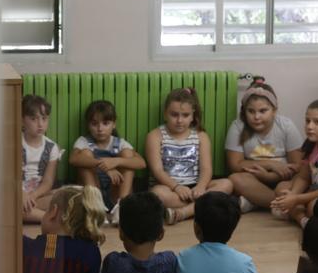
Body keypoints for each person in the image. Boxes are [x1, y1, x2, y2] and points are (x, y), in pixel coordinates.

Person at [145, 87, 232, 225]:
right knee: (157, 194)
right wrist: (177, 187)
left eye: (185, 115)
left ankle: (182, 213)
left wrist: (201, 187)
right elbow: (157, 171)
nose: (179, 120)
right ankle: (203, 206)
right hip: (168, 188)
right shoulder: (155, 136)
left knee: (226, 184)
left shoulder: (201, 136)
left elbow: (206, 169)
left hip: (196, 188)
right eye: (174, 115)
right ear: (165, 114)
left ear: (193, 115)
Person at [224, 78, 304, 214]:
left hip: (282, 178)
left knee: (288, 185)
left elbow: (298, 165)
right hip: (254, 179)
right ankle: (282, 205)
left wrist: (270, 176)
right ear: (244, 111)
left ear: (274, 110)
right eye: (251, 111)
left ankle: (257, 202)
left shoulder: (286, 126)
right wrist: (270, 165)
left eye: (263, 111)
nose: (256, 117)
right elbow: (235, 165)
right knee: (235, 179)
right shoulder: (237, 126)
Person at [69, 99, 146, 224]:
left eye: (105, 123)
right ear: (88, 125)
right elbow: (73, 159)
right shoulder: (83, 141)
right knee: (85, 155)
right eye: (94, 124)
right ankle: (96, 208)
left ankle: (121, 207)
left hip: (114, 193)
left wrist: (116, 161)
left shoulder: (119, 143)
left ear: (113, 124)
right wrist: (104, 165)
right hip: (92, 192)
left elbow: (141, 163)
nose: (100, 129)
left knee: (127, 155)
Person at [271, 99, 318, 227]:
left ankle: (297, 215)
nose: (310, 126)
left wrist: (296, 199)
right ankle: (303, 221)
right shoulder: (313, 142)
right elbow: (303, 177)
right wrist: (292, 195)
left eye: (317, 122)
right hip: (315, 188)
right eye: (307, 121)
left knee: (313, 208)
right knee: (282, 188)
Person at [21, 94, 62, 224]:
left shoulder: (51, 147)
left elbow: (48, 181)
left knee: (68, 195)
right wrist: (22, 194)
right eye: (34, 119)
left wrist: (32, 196)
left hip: (38, 196)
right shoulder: (14, 143)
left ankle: (32, 213)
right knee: (11, 206)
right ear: (22, 120)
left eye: (44, 119)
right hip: (15, 194)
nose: (40, 124)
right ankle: (54, 221)